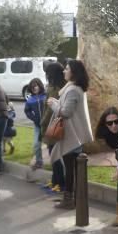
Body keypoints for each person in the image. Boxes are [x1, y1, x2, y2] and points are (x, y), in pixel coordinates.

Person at [47, 59, 93, 210]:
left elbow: (66, 112)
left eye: (67, 69)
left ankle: (69, 200)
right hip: (74, 134)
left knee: (70, 169)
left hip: (72, 135)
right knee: (71, 168)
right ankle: (72, 198)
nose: (64, 71)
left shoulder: (73, 90)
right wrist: (57, 102)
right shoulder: (74, 88)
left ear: (74, 72)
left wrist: (53, 104)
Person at [95, 107, 118, 226]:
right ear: (105, 124)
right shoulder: (107, 134)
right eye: (109, 123)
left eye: (116, 122)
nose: (113, 125)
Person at [41, 62, 67, 194]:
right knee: (54, 155)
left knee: (55, 156)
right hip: (54, 124)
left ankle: (59, 183)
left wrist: (43, 122)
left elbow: (50, 110)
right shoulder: (55, 86)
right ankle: (55, 180)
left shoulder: (56, 88)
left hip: (53, 124)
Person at [24, 78, 46, 170]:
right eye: (33, 87)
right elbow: (27, 111)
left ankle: (57, 163)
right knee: (36, 144)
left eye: (36, 86)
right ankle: (39, 162)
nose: (35, 88)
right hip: (38, 126)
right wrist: (34, 118)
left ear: (40, 86)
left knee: (52, 145)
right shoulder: (30, 100)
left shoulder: (46, 96)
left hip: (48, 125)